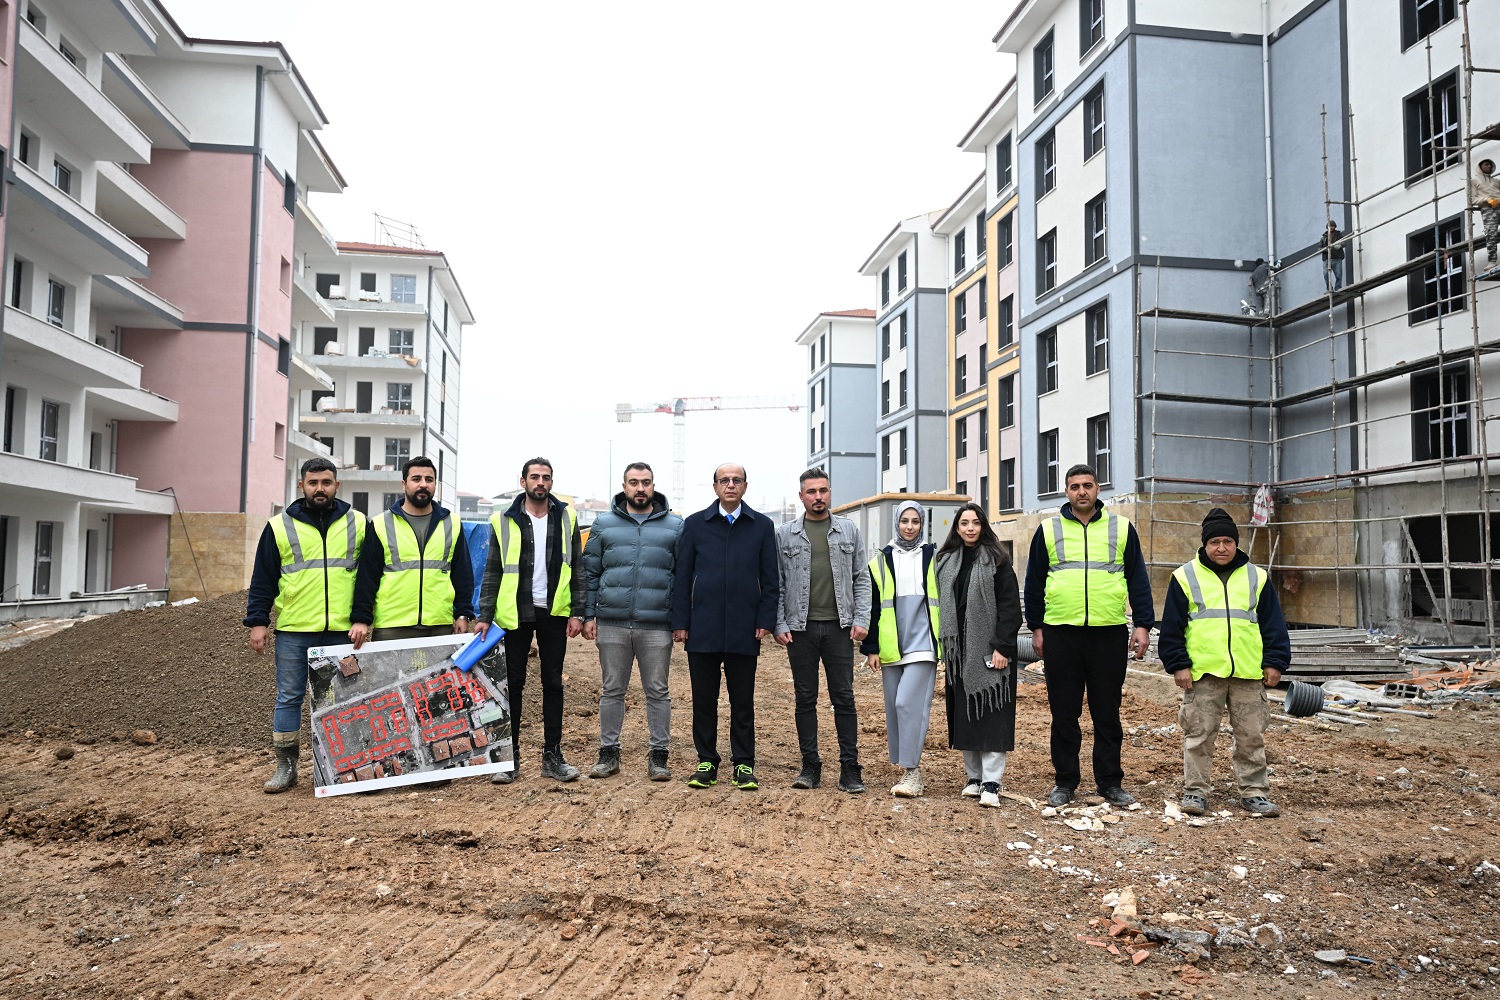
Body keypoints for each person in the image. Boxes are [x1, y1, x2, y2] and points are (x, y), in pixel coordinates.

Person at [1023, 464, 1155, 808]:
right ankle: (1065, 782)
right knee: (1064, 714)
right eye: (1074, 486)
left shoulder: (1121, 528)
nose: (1081, 491)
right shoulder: (1048, 530)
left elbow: (1138, 579)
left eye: (1087, 485)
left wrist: (1142, 624)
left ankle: (1110, 783)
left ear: (1099, 489)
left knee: (1107, 713)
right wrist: (1036, 627)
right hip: (1060, 634)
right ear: (1065, 492)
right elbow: (1034, 583)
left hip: (1108, 633)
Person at [1158, 508, 1292, 818]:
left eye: (1227, 541)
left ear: (1236, 544)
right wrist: (1178, 664)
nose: (1221, 548)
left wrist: (1275, 662)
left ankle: (1254, 792)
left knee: (1251, 736)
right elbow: (1172, 628)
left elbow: (1273, 624)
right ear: (1204, 544)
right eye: (1215, 541)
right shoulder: (1185, 577)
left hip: (1248, 672)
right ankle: (1195, 791)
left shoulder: (1257, 577)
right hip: (1204, 674)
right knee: (1199, 736)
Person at [244, 457, 366, 793]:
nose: (320, 489)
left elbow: (368, 576)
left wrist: (363, 618)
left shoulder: (358, 523)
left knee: (342, 698)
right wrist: (258, 622)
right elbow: (263, 579)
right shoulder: (279, 526)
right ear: (302, 486)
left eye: (326, 483)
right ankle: (286, 768)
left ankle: (342, 766)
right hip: (295, 630)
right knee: (289, 698)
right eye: (313, 483)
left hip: (342, 631)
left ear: (336, 485)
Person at [475, 457, 585, 784]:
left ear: (552, 483)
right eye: (534, 477)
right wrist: (484, 615)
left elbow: (577, 568)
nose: (540, 482)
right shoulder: (503, 519)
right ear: (522, 481)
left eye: (546, 477)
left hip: (554, 612)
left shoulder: (567, 518)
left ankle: (553, 757)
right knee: (513, 686)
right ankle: (509, 759)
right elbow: (492, 571)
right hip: (515, 613)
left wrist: (578, 611)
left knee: (553, 683)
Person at [671, 463, 779, 791]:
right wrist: (681, 623)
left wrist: (765, 620)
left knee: (742, 700)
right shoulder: (695, 525)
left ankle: (744, 764)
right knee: (704, 699)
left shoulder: (761, 526)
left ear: (745, 486)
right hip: (702, 627)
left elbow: (771, 579)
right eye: (724, 480)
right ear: (715, 486)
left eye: (736, 480)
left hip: (745, 628)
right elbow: (682, 577)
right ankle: (706, 761)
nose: (730, 485)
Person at [581, 462, 682, 781]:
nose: (641, 488)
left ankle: (659, 757)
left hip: (657, 625)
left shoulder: (675, 526)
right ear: (624, 486)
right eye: (634, 482)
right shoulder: (603, 524)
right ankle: (608, 754)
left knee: (658, 690)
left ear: (654, 486)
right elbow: (590, 572)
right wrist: (588, 615)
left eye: (646, 482)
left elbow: (681, 578)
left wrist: (680, 620)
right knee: (612, 689)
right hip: (612, 622)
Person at [774, 468, 872, 794]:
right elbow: (776, 583)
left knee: (843, 698)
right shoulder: (785, 534)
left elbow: (861, 577)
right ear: (801, 496)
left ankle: (850, 768)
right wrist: (779, 622)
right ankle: (810, 766)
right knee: (805, 698)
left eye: (823, 490)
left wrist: (861, 619)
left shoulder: (848, 530)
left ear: (830, 493)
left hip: (840, 628)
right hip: (799, 629)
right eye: (811, 491)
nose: (818, 497)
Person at [935, 503, 1022, 809]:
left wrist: (1002, 647)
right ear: (956, 527)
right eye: (964, 523)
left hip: (989, 651)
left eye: (975, 522)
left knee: (992, 716)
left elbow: (1011, 609)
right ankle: (973, 778)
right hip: (959, 654)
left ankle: (991, 783)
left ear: (983, 525)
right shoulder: (945, 562)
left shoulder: (997, 560)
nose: (970, 528)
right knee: (966, 716)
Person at [350, 455, 474, 647]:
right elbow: (367, 577)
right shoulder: (382, 523)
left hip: (439, 626)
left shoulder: (452, 523)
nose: (423, 484)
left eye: (429, 479)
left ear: (435, 484)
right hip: (392, 627)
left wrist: (463, 613)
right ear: (404, 484)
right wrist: (361, 618)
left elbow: (463, 574)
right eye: (416, 479)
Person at [862, 501, 941, 798]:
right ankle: (904, 765)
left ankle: (913, 772)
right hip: (892, 645)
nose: (910, 526)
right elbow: (872, 607)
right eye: (905, 521)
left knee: (907, 704)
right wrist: (871, 647)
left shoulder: (934, 557)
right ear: (897, 523)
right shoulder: (880, 560)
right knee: (894, 708)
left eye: (916, 521)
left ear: (923, 524)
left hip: (924, 643)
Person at [1473, 158, 1500, 273]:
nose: (1489, 166)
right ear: (1480, 166)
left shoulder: (1496, 182)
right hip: (1488, 209)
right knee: (1491, 233)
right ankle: (1492, 261)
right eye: (1486, 164)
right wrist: (1487, 200)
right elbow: (1472, 199)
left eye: (1490, 165)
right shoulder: (1474, 182)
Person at [1320, 221, 1346, 291]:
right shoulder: (1323, 237)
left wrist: (1339, 245)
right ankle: (1329, 288)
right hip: (1327, 259)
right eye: (1330, 226)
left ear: (1335, 227)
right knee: (1326, 274)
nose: (1331, 227)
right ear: (1327, 227)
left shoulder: (1338, 234)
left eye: (1332, 226)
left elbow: (1344, 242)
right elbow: (1319, 248)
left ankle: (1338, 288)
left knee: (1338, 274)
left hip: (1337, 258)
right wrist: (1325, 249)